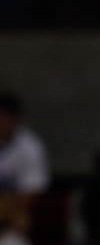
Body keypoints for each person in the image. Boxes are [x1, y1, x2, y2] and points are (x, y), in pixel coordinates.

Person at [0, 91, 49, 233]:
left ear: (16, 119)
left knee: (22, 221)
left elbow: (30, 194)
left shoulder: (30, 147)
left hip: (14, 210)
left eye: (5, 118)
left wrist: (5, 209)